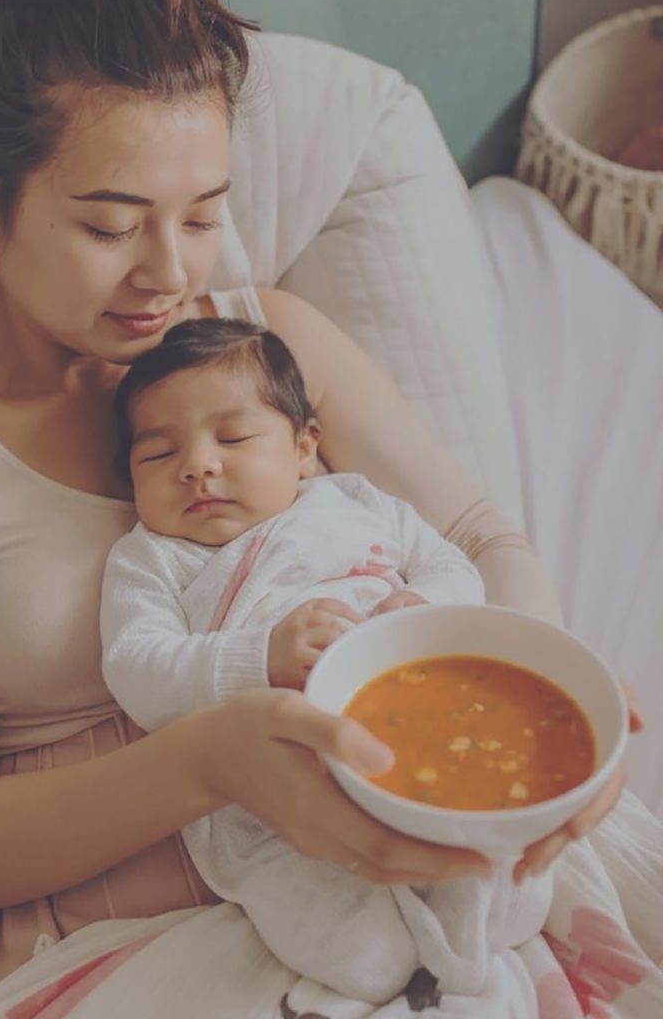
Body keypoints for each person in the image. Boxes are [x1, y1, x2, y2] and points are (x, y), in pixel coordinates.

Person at [0, 0, 631, 1016]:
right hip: (93, 939)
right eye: (109, 225)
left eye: (200, 215)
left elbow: (481, 540)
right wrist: (210, 762)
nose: (170, 271)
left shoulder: (267, 341)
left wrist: (542, 733)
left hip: (413, 859)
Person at [99, 316, 553, 1001]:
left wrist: (419, 610)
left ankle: (469, 966)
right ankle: (406, 981)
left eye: (233, 438)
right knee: (356, 951)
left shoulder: (355, 503)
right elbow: (137, 667)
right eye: (158, 454)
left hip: (411, 737)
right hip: (268, 799)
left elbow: (453, 566)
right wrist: (261, 657)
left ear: (305, 448)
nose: (197, 465)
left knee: (516, 892)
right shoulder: (151, 559)